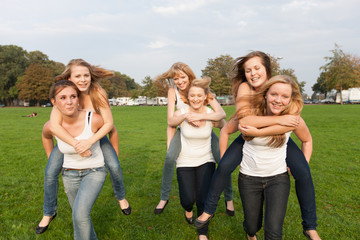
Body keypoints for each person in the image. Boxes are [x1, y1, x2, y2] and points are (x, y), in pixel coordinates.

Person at [195, 51, 321, 240]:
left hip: (277, 136)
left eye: (257, 68)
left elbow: (295, 125)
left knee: (303, 171)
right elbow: (244, 121)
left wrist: (268, 127)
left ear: (267, 71)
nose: (252, 73)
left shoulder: (282, 88)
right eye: (248, 70)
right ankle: (208, 211)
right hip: (249, 135)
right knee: (225, 165)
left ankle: (310, 226)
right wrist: (269, 126)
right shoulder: (246, 88)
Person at [36, 59, 130, 235]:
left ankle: (121, 197)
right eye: (77, 76)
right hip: (69, 139)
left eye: (86, 75)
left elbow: (109, 124)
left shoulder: (97, 92)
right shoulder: (63, 95)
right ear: (69, 77)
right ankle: (49, 212)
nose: (83, 79)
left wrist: (91, 141)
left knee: (115, 166)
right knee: (50, 173)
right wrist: (77, 144)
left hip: (95, 136)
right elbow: (54, 127)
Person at [153, 62, 234, 216]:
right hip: (182, 128)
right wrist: (187, 117)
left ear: (189, 76)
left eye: (182, 77)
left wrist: (200, 116)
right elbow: (170, 121)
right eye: (175, 79)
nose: (179, 81)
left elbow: (221, 114)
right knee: (170, 157)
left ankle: (229, 198)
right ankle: (164, 197)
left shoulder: (199, 89)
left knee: (223, 160)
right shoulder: (173, 91)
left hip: (204, 130)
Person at [237, 75, 311, 239]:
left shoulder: (293, 120)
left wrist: (301, 166)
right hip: (249, 178)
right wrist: (280, 119)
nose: (278, 100)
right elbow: (244, 121)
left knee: (274, 232)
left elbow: (307, 140)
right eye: (274, 94)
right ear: (265, 94)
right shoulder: (253, 113)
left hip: (278, 179)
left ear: (291, 99)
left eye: (285, 96)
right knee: (252, 225)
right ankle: (250, 234)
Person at [42, 80, 107, 239]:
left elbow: (112, 130)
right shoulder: (53, 125)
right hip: (69, 174)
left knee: (80, 215)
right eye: (62, 98)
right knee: (80, 216)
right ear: (54, 102)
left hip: (94, 171)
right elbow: (46, 136)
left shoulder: (94, 119)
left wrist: (113, 159)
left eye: (73, 96)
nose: (69, 101)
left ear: (79, 99)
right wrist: (53, 160)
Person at [175, 78, 225, 240]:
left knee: (203, 197)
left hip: (206, 160)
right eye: (192, 96)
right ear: (188, 97)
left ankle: (202, 232)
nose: (195, 98)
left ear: (205, 97)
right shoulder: (183, 112)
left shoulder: (210, 113)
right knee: (187, 199)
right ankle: (188, 209)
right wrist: (187, 117)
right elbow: (170, 121)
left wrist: (205, 118)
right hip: (184, 161)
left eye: (199, 95)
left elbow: (223, 122)